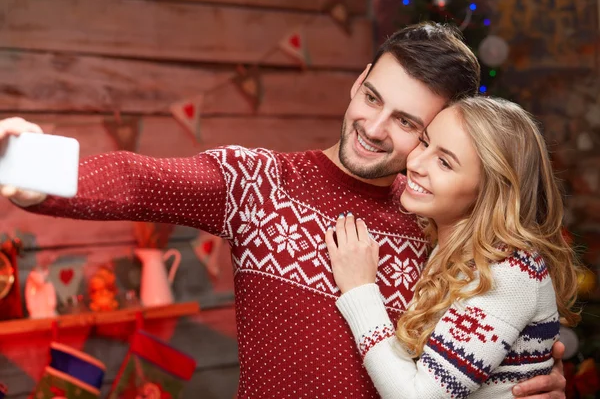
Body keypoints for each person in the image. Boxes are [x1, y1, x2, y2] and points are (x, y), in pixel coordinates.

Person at [0, 23, 566, 398]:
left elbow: (492, 337)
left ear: (435, 135)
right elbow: (140, 181)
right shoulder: (259, 183)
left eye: (406, 122)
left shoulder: (438, 224)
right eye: (372, 98)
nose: (372, 128)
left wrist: (534, 379)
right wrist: (37, 180)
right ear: (356, 82)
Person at [326, 96, 580, 398]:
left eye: (444, 162)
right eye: (424, 142)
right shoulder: (451, 248)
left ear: (489, 191)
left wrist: (360, 290)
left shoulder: (509, 271)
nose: (415, 164)